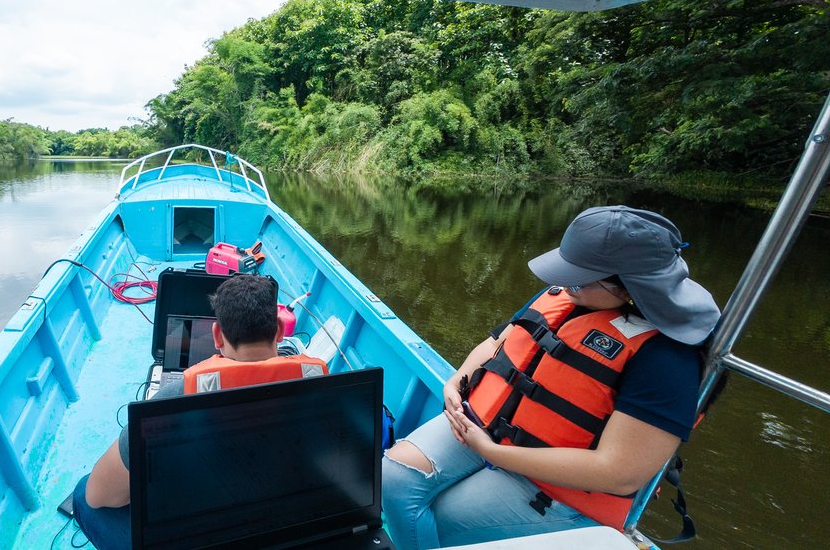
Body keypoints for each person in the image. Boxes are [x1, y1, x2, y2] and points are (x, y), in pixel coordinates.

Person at [382, 205, 721, 549]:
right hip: (486, 429)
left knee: (438, 518)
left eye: (576, 276)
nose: (562, 282)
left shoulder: (668, 359)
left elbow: (620, 472)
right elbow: (497, 343)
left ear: (629, 288)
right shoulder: (570, 294)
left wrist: (493, 453)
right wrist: (456, 381)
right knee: (392, 480)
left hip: (560, 486)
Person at [72, 273, 328, 550]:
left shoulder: (174, 396)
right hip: (283, 532)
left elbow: (98, 495)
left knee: (83, 494)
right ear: (280, 330)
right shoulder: (323, 389)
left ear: (216, 334)